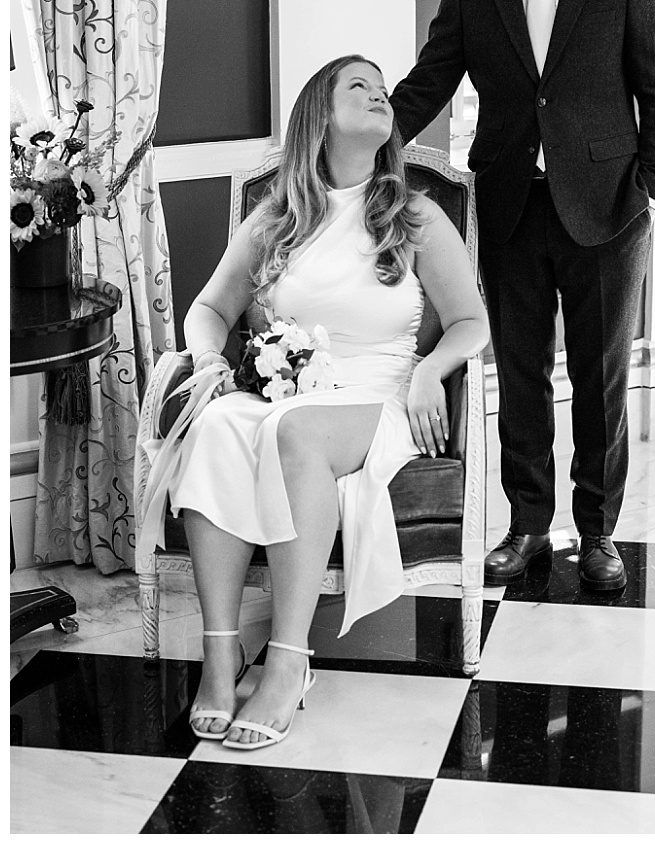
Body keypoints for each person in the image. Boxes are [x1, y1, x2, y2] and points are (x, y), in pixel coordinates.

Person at [389, 0, 655, 592]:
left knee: (601, 379)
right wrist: (357, 143)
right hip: (510, 209)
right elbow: (428, 83)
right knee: (518, 377)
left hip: (608, 215)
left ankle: (598, 533)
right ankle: (526, 528)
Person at [163, 55, 488, 749]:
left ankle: (288, 657)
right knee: (219, 422)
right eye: (358, 87)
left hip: (375, 400)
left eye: (381, 89)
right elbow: (208, 310)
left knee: (296, 434)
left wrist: (434, 368)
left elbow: (471, 320)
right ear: (319, 115)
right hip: (290, 393)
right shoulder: (276, 217)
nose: (380, 95)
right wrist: (213, 362)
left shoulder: (414, 214)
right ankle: (222, 653)